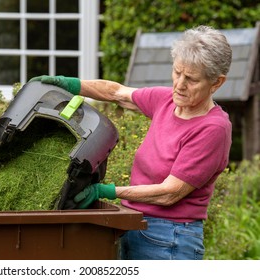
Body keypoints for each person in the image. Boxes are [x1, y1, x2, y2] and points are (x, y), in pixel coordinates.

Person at [29, 25, 232, 260]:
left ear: (216, 83)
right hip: (134, 223)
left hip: (171, 239)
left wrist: (107, 191)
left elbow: (170, 193)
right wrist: (70, 84)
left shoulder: (212, 129)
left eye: (191, 79)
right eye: (177, 73)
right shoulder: (167, 100)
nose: (179, 85)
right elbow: (116, 92)